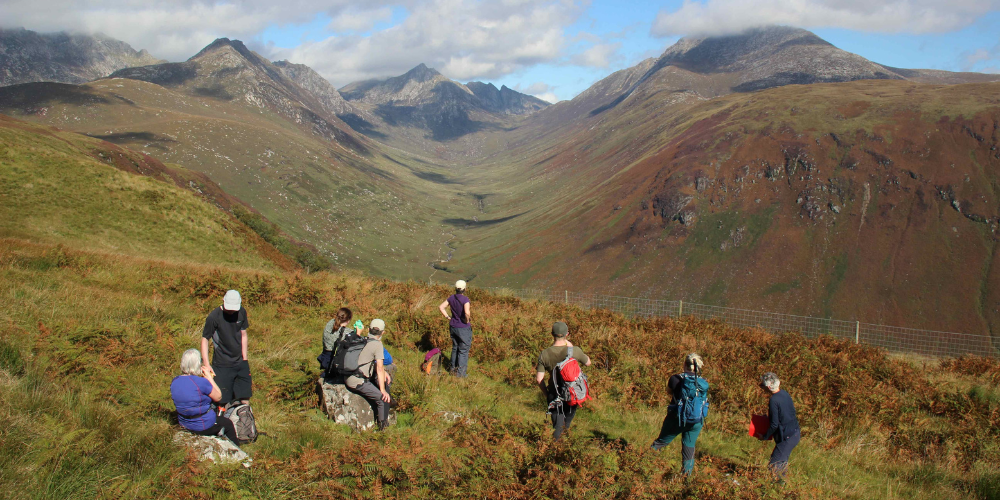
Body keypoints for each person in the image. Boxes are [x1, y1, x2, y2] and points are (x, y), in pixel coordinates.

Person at [650, 353, 709, 475]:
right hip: (697, 420)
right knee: (689, 447)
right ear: (698, 367)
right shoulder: (703, 382)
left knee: (661, 442)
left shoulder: (675, 379)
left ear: (684, 364)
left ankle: (642, 465)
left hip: (677, 418)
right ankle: (686, 478)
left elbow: (669, 392)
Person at [171, 348, 240, 446]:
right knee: (227, 423)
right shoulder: (201, 382)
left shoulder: (175, 381)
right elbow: (219, 397)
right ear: (197, 364)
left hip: (184, 423)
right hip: (202, 425)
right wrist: (209, 378)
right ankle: (237, 451)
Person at [534, 322, 591, 440]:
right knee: (566, 425)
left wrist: (547, 394)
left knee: (558, 426)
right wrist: (571, 347)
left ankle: (555, 450)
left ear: (552, 334)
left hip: (554, 394)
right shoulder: (575, 350)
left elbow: (539, 379)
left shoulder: (544, 354)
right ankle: (564, 447)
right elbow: (588, 363)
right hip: (572, 394)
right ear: (567, 334)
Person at [201, 289, 251, 408]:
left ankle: (245, 423)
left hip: (240, 363)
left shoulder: (241, 312)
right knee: (222, 400)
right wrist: (207, 365)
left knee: (245, 397)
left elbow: (243, 334)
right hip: (222, 364)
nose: (231, 311)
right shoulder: (214, 317)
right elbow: (204, 340)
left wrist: (245, 359)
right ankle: (222, 423)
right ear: (223, 300)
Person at [345, 319, 395, 430]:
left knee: (381, 382)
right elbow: (380, 368)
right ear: (383, 333)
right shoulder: (377, 345)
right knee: (382, 399)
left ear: (368, 330)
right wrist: (382, 391)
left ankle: (387, 410)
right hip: (357, 380)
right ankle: (384, 428)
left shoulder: (362, 340)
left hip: (349, 375)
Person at [758, 372, 800, 481]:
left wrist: (765, 436)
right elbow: (786, 414)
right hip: (794, 433)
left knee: (774, 465)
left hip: (787, 437)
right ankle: (782, 486)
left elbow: (774, 424)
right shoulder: (785, 394)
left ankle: (778, 488)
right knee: (781, 463)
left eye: (761, 385)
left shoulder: (774, 400)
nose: (761, 388)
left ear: (768, 387)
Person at [439, 280, 472, 377]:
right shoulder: (465, 300)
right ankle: (461, 374)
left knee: (455, 348)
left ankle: (452, 370)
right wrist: (467, 321)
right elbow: (467, 312)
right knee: (463, 350)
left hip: (453, 326)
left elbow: (441, 307)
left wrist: (448, 317)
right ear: (464, 289)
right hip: (463, 328)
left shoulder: (451, 298)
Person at [319, 307, 353, 372]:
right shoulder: (346, 333)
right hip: (333, 359)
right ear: (348, 320)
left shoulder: (330, 323)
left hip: (325, 354)